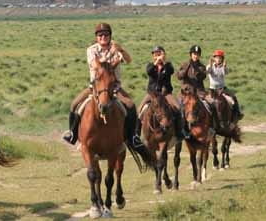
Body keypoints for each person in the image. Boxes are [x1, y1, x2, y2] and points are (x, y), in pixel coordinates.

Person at [63, 23, 146, 152]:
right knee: (75, 104)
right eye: (100, 35)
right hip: (95, 87)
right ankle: (73, 134)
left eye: (106, 34)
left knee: (130, 105)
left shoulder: (116, 48)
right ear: (96, 37)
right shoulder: (91, 50)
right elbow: (97, 66)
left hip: (114, 87)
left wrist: (121, 50)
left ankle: (132, 136)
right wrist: (111, 55)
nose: (103, 37)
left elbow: (128, 60)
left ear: (110, 36)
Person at [136, 46, 189, 140]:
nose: (158, 56)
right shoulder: (150, 65)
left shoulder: (168, 65)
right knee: (140, 109)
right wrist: (156, 62)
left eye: (159, 54)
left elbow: (171, 71)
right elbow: (149, 72)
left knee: (178, 108)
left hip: (166, 93)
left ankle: (180, 131)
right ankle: (136, 133)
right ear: (153, 56)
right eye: (156, 54)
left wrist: (164, 62)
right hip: (152, 94)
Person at [177, 45, 219, 131]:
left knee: (212, 103)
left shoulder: (201, 67)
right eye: (194, 54)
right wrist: (188, 67)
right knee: (177, 106)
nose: (196, 56)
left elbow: (202, 77)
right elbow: (179, 76)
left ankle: (212, 128)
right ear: (190, 54)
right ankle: (179, 129)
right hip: (186, 93)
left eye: (197, 54)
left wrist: (198, 69)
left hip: (199, 92)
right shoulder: (184, 64)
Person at [207, 49, 243, 121]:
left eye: (220, 58)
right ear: (214, 58)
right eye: (217, 57)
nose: (218, 59)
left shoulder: (224, 67)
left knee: (233, 97)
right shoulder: (209, 66)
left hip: (222, 89)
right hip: (212, 89)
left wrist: (224, 67)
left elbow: (225, 73)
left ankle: (238, 114)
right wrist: (210, 65)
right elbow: (208, 71)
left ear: (222, 59)